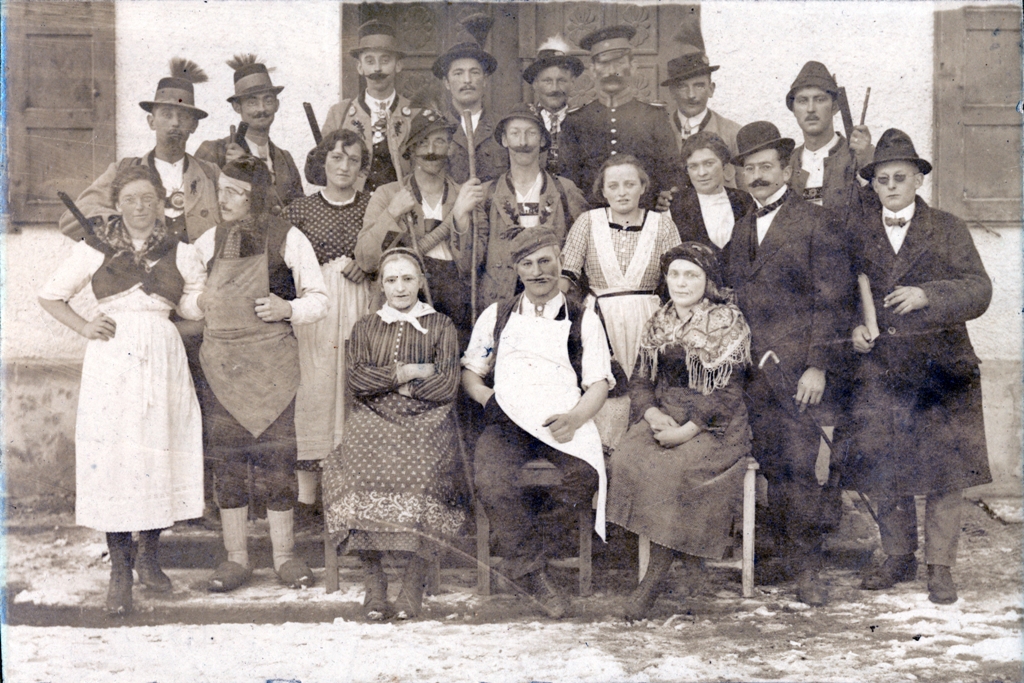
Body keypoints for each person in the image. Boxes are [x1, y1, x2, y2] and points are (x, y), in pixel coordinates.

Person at [39, 164, 206, 616]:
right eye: (130, 199)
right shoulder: (96, 246)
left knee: (158, 454)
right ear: (117, 204)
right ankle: (119, 570)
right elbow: (50, 295)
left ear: (162, 204)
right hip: (113, 360)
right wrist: (85, 326)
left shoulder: (181, 250)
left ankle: (149, 559)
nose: (139, 207)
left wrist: (205, 302)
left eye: (148, 199)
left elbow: (192, 303)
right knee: (117, 460)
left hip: (164, 357)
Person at [841, 129, 992, 605]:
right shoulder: (859, 233)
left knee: (945, 473)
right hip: (882, 370)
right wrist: (854, 329)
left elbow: (979, 289)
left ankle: (939, 566)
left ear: (918, 180)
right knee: (886, 468)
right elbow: (844, 295)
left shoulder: (947, 227)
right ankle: (897, 555)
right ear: (874, 185)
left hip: (941, 368)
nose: (891, 186)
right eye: (882, 179)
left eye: (900, 178)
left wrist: (929, 294)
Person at [723, 121, 849, 607]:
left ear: (786, 169)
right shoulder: (742, 227)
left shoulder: (816, 221)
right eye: (749, 168)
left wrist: (818, 366)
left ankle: (808, 569)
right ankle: (781, 556)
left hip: (797, 374)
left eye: (766, 166)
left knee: (798, 467)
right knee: (772, 466)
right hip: (753, 372)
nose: (757, 176)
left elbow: (833, 301)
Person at [193, 157, 328, 593]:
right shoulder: (208, 241)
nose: (224, 199)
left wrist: (287, 308)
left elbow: (319, 299)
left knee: (277, 462)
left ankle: (285, 557)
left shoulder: (288, 238)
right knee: (228, 463)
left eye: (235, 192)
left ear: (257, 198)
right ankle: (235, 559)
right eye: (222, 189)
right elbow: (188, 295)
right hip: (222, 368)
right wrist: (199, 303)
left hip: (273, 368)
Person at [463, 230, 614, 619]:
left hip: (561, 421)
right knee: (491, 481)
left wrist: (575, 418)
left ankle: (523, 560)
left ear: (560, 261)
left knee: (584, 476)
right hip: (508, 420)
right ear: (517, 269)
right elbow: (472, 373)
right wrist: (487, 398)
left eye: (545, 261)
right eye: (527, 264)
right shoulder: (497, 315)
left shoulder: (584, 317)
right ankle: (537, 576)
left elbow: (598, 383)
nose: (537, 272)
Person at [607, 242, 752, 621]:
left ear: (708, 281)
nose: (682, 282)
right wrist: (652, 414)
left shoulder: (728, 319)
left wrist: (688, 431)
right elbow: (641, 380)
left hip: (716, 422)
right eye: (675, 274)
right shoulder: (659, 320)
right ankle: (687, 560)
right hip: (667, 412)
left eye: (691, 275)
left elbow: (728, 392)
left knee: (673, 470)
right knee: (625, 459)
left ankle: (654, 579)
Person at [322, 248, 467, 621]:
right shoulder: (366, 327)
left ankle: (413, 583)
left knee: (425, 474)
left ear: (420, 282)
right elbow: (358, 380)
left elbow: (446, 385)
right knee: (354, 473)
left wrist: (389, 382)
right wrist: (409, 372)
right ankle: (374, 581)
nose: (399, 288)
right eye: (391, 280)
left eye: (407, 279)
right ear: (381, 286)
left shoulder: (441, 325)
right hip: (372, 417)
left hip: (427, 419)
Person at [287, 129, 375, 528]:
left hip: (360, 304)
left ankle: (351, 495)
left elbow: (389, 249)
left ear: (362, 168)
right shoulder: (300, 210)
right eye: (336, 158)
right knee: (315, 390)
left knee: (353, 391)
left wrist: (369, 265)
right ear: (322, 162)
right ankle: (307, 500)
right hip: (317, 309)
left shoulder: (371, 206)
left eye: (353, 160)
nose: (344, 166)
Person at [354, 108, 484, 342]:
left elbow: (471, 266)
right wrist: (392, 213)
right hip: (402, 301)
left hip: (455, 303)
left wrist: (461, 218)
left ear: (450, 148)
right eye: (423, 143)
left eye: (439, 142)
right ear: (411, 149)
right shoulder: (388, 195)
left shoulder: (465, 196)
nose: (431, 151)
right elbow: (366, 259)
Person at [58, 58, 220, 244]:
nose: (175, 123)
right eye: (166, 114)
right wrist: (124, 225)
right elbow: (70, 219)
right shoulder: (124, 170)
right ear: (151, 122)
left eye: (183, 116)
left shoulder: (211, 174)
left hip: (198, 262)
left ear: (194, 125)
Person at [561, 155, 681, 383]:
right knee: (605, 385)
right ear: (603, 191)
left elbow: (678, 277)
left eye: (630, 184)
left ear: (643, 187)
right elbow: (566, 275)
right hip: (599, 320)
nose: (622, 193)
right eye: (613, 186)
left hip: (649, 319)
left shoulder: (662, 224)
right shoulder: (588, 222)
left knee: (647, 385)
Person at [473, 104, 589, 310]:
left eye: (531, 133)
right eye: (515, 133)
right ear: (504, 140)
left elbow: (583, 245)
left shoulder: (565, 190)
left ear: (543, 139)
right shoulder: (488, 193)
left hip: (553, 295)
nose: (523, 142)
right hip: (502, 297)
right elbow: (471, 259)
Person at [559, 25, 676, 208]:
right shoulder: (576, 120)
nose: (611, 71)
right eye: (604, 63)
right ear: (593, 70)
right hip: (592, 215)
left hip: (644, 213)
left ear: (633, 66)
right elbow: (568, 180)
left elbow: (670, 172)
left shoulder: (654, 116)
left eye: (619, 62)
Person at [310, 21, 419, 194]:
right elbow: (322, 171)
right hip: (352, 205)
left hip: (401, 204)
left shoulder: (415, 113)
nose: (377, 68)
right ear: (360, 67)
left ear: (398, 65)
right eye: (369, 61)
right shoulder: (339, 113)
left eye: (385, 60)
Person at [196, 54, 304, 212]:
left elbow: (299, 212)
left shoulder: (285, 160)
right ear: (237, 107)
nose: (262, 109)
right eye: (252, 102)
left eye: (268, 101)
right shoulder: (214, 152)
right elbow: (201, 209)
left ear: (277, 105)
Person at [785, 61, 873, 223]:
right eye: (802, 101)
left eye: (820, 99)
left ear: (835, 107)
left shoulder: (859, 156)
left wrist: (867, 160)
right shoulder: (788, 162)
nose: (810, 109)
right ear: (794, 110)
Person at [432, 14, 509, 184]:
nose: (467, 80)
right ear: (446, 82)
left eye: (474, 72)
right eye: (458, 73)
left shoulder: (503, 126)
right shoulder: (434, 128)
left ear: (485, 80)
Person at [662, 44, 743, 188]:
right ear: (672, 92)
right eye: (682, 86)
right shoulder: (659, 131)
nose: (691, 95)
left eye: (699, 86)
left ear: (711, 89)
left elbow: (746, 192)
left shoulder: (733, 133)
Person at [666, 131, 754, 262]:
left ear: (724, 165)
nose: (702, 173)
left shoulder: (744, 200)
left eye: (709, 163)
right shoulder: (674, 205)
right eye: (693, 166)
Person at [521, 35, 585, 177]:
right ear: (535, 84)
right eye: (547, 81)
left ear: (572, 83)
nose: (554, 89)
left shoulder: (584, 121)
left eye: (561, 80)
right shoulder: (525, 121)